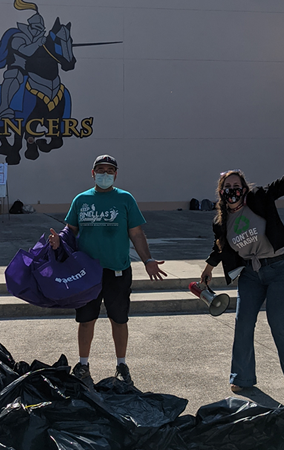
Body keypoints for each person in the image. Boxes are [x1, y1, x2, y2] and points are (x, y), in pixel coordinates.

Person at [200, 144, 284, 392]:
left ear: (244, 188)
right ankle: (241, 378)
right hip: (250, 274)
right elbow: (220, 247)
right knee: (243, 322)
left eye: (236, 186)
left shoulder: (259, 199)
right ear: (221, 192)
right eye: (227, 188)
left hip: (281, 269)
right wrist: (209, 267)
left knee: (278, 324)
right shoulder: (221, 221)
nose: (232, 190)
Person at [49, 155, 166, 387]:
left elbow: (136, 234)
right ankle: (83, 365)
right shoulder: (81, 200)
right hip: (87, 274)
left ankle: (121, 364)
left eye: (110, 170)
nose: (105, 174)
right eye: (100, 170)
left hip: (117, 271)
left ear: (116, 174)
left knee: (119, 320)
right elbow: (69, 231)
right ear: (92, 173)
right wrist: (57, 242)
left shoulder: (125, 199)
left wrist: (148, 260)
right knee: (86, 320)